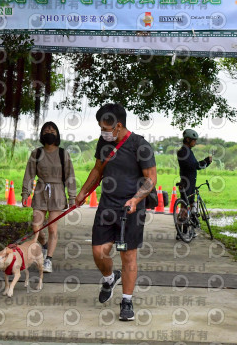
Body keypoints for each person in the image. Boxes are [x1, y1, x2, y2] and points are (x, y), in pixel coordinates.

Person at [75, 103, 156, 321]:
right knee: (98, 252)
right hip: (107, 206)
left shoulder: (141, 145)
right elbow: (98, 170)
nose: (103, 132)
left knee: (128, 255)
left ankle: (127, 301)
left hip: (131, 209)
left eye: (105, 128)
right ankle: (110, 278)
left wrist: (136, 199)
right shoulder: (104, 143)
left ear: (118, 126)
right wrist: (83, 192)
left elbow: (151, 179)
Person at [21, 121, 76, 274]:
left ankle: (48, 260)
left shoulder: (63, 153)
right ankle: (44, 244)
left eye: (52, 130)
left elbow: (70, 176)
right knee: (36, 226)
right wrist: (25, 193)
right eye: (46, 130)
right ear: (41, 134)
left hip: (57, 192)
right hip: (40, 191)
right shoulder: (36, 153)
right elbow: (29, 175)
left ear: (57, 134)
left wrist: (72, 198)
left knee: (52, 227)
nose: (49, 132)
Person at [176, 129, 212, 238]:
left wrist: (205, 163)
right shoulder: (184, 151)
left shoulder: (188, 151)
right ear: (188, 139)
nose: (195, 142)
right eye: (193, 140)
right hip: (187, 183)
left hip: (190, 182)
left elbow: (195, 165)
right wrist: (206, 161)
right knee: (184, 208)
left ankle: (188, 230)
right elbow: (195, 166)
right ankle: (181, 232)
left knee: (190, 206)